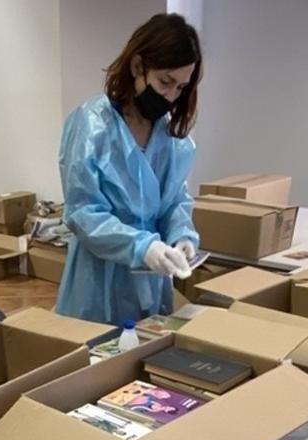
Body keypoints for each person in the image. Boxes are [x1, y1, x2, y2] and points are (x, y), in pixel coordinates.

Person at [54, 13, 203, 326]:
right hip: (97, 281)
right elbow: (84, 214)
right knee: (98, 362)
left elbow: (174, 201)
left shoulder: (171, 139)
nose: (171, 96)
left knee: (144, 359)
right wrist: (141, 245)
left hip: (151, 279)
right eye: (165, 82)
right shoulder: (93, 125)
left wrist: (182, 235)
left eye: (181, 87)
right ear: (138, 67)